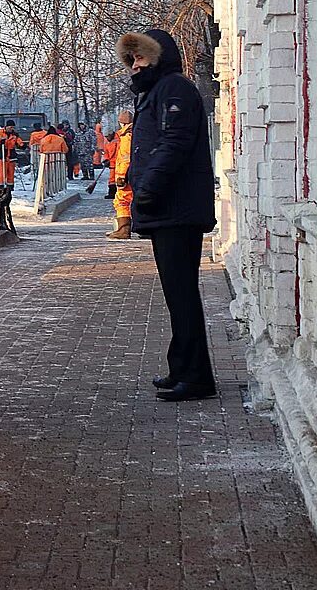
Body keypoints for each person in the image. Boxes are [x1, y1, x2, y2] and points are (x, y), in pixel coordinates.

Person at [117, 29, 217, 402]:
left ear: (160, 56)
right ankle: (183, 368)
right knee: (178, 294)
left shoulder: (174, 89)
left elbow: (173, 144)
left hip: (176, 208)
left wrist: (148, 191)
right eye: (132, 60)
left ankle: (195, 377)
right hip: (170, 208)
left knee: (183, 293)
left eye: (141, 58)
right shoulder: (157, 91)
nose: (136, 66)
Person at [107, 111, 134, 239]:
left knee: (122, 200)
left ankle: (124, 230)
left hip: (124, 174)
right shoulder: (135, 134)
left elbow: (125, 158)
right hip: (132, 173)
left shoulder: (126, 137)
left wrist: (122, 176)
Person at [0, 120, 24, 189]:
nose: (12, 129)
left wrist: (22, 145)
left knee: (11, 172)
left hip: (11, 154)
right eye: (11, 127)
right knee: (2, 172)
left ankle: (10, 186)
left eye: (13, 127)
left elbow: (19, 142)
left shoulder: (14, 135)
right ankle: (0, 185)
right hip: (3, 154)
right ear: (6, 126)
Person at [103, 130, 120, 199]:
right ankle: (112, 192)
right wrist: (106, 160)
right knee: (112, 179)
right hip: (112, 163)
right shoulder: (107, 142)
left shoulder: (119, 140)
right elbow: (106, 152)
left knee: (119, 178)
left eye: (107, 136)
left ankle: (118, 193)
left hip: (119, 163)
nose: (107, 138)